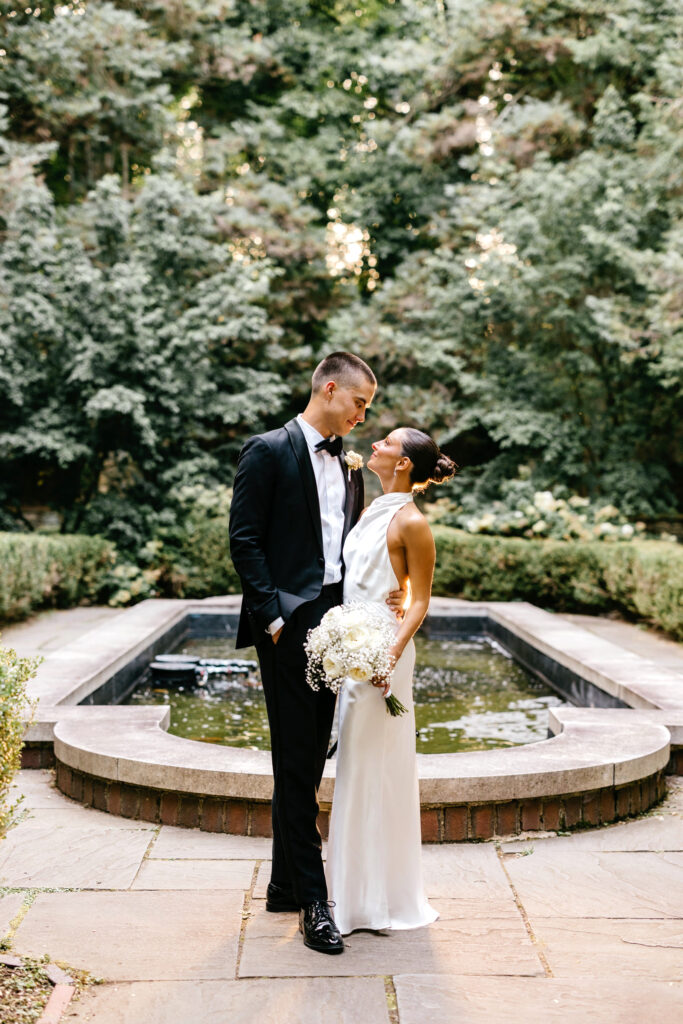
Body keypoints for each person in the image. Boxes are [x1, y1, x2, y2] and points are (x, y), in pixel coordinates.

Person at [229, 352, 404, 956]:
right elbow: (244, 538)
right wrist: (273, 618)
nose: (363, 416)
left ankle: (282, 883)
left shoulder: (352, 466)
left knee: (302, 757)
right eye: (360, 403)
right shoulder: (268, 450)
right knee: (299, 761)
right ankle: (314, 904)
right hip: (289, 626)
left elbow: (348, 546)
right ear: (330, 389)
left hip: (338, 622)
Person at [326, 427, 457, 935]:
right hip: (354, 649)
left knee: (377, 771)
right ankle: (353, 893)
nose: (375, 444)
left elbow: (420, 599)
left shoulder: (413, 522)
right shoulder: (366, 510)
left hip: (384, 656)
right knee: (356, 769)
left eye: (386, 442)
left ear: (403, 464)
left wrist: (389, 652)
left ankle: (377, 902)